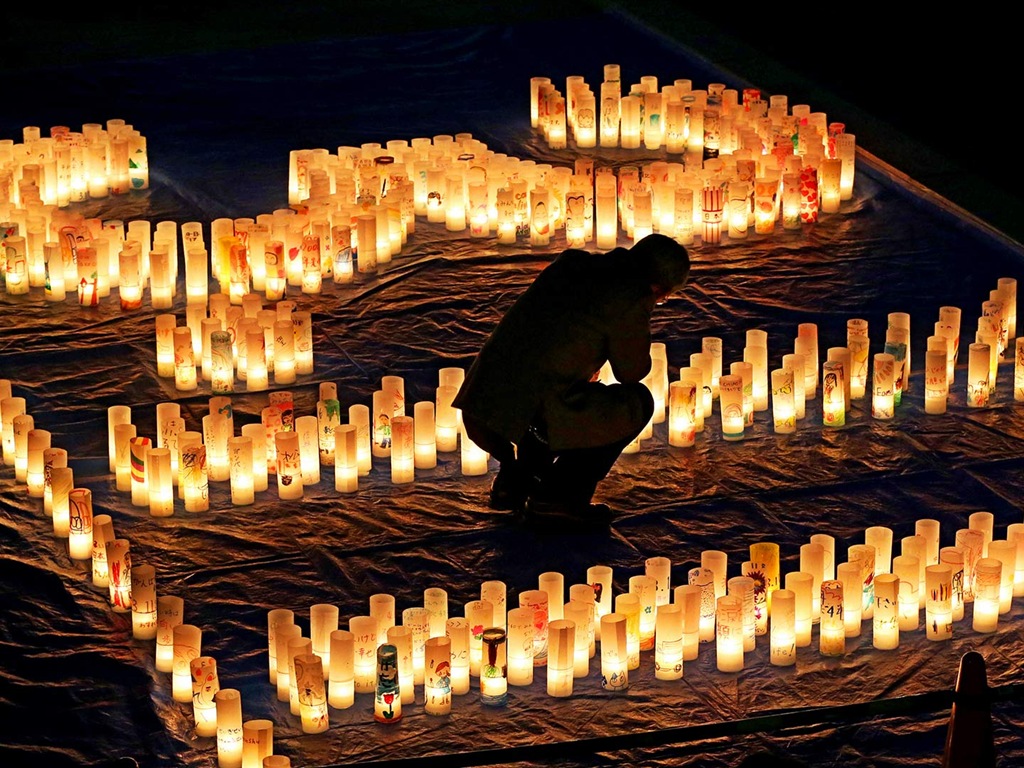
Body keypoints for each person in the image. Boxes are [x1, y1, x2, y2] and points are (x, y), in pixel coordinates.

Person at [453, 233, 690, 527]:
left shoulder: (573, 262)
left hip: (483, 401)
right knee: (636, 402)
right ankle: (558, 498)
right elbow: (632, 373)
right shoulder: (630, 295)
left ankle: (515, 482)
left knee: (560, 390)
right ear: (659, 289)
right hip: (532, 413)